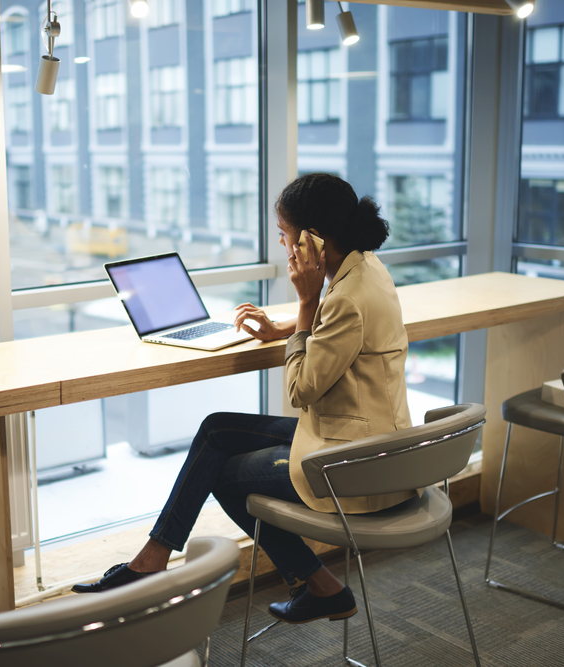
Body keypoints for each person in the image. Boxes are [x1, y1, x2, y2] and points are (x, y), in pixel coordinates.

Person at [73, 173, 413, 626]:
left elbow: (299, 391)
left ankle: (318, 585)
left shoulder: (342, 297)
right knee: (217, 430)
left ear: (312, 240)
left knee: (226, 476)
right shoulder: (365, 269)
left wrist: (306, 307)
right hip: (369, 435)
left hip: (351, 461)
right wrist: (292, 325)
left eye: (285, 236)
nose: (284, 247)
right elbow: (341, 333)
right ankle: (152, 560)